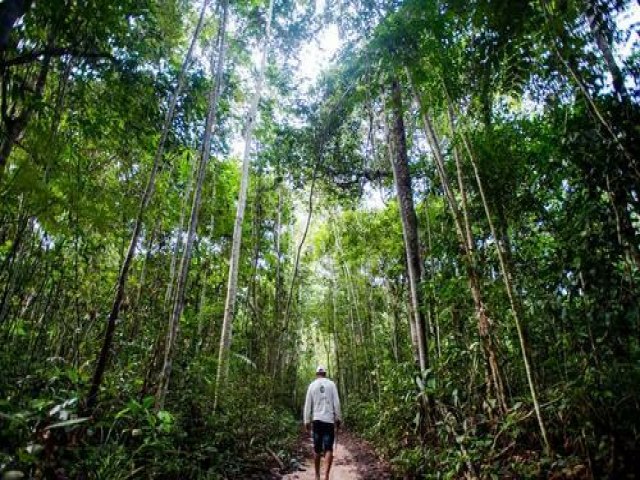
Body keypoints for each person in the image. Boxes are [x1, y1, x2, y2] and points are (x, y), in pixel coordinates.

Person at [303, 365, 342, 480]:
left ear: (316, 374)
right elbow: (337, 403)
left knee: (317, 448)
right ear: (325, 373)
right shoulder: (331, 384)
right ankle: (326, 476)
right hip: (328, 421)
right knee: (328, 448)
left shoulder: (312, 385)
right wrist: (338, 418)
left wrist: (306, 421)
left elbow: (307, 404)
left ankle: (317, 475)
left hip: (317, 420)